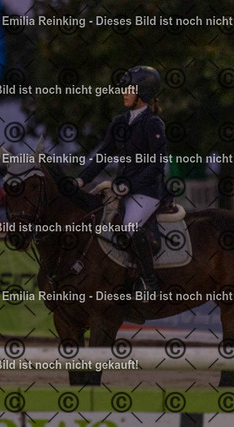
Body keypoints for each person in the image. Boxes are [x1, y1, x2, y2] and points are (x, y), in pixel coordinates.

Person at [76, 66, 167, 293]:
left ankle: (150, 282)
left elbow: (157, 164)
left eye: (129, 89)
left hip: (146, 192)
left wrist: (131, 185)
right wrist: (80, 181)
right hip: (122, 189)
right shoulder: (119, 122)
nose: (124, 93)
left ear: (142, 94)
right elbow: (103, 155)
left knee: (129, 227)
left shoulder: (153, 123)